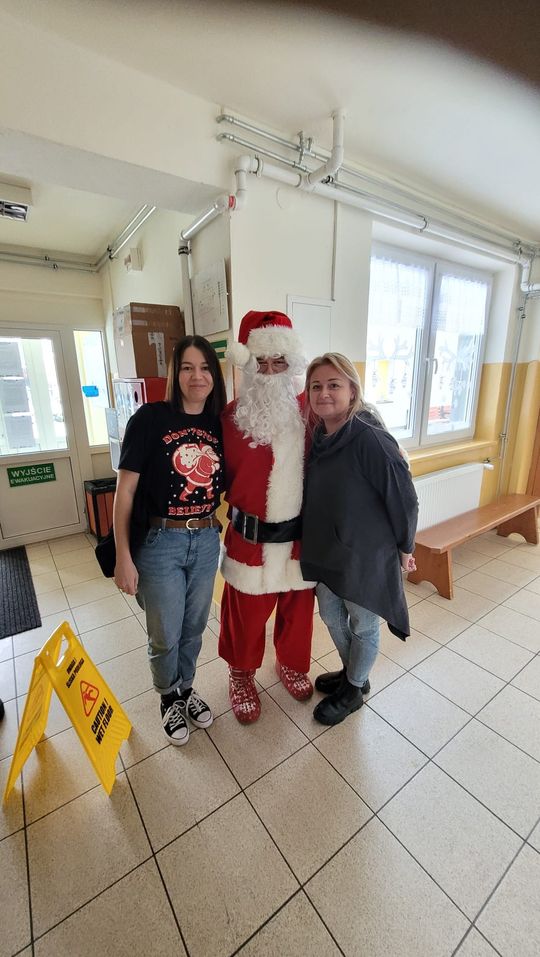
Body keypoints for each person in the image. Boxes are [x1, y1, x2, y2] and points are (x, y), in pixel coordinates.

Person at [113, 335, 226, 746]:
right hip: (161, 542)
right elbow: (125, 491)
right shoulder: (149, 419)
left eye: (205, 368)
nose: (197, 376)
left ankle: (186, 689)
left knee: (194, 627)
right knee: (165, 633)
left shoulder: (218, 423)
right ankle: (168, 698)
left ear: (215, 375)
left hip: (207, 537)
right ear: (175, 373)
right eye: (187, 367)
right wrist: (123, 556)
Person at [300, 352, 418, 726]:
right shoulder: (319, 435)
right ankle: (354, 672)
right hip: (327, 549)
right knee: (331, 615)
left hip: (364, 554)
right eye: (316, 386)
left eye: (334, 385)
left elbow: (404, 497)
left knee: (363, 624)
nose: (324, 393)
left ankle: (354, 688)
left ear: (352, 390)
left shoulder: (369, 437)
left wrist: (406, 547)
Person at [219, 310, 316, 723]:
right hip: (249, 539)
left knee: (298, 610)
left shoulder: (310, 412)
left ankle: (291, 663)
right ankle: (241, 673)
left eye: (280, 361)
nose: (272, 371)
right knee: (245, 614)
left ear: (292, 364)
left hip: (299, 539)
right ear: (247, 364)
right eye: (262, 362)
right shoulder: (228, 419)